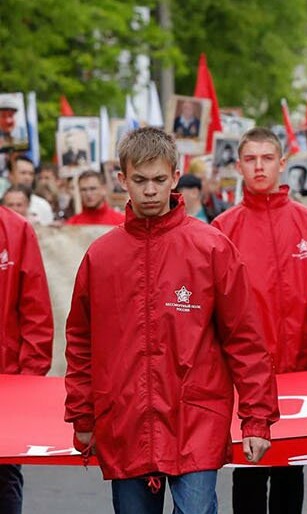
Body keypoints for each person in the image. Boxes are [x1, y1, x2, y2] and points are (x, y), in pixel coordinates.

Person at [63, 127, 279, 514]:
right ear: (122, 179)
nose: (150, 191)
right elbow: (81, 341)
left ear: (175, 177)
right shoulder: (101, 256)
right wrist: (82, 414)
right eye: (140, 181)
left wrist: (257, 418)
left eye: (159, 180)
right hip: (126, 420)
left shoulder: (211, 246)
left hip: (195, 417)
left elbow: (245, 338)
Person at [211, 128, 307, 514]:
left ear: (282, 164)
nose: (258, 167)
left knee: (292, 473)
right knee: (249, 472)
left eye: (266, 158)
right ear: (238, 166)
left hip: (302, 372)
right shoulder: (222, 229)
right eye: (250, 159)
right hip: (246, 378)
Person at [0, 182, 52, 514]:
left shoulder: (16, 231)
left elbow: (36, 314)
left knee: (3, 479)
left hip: (5, 388)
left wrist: (25, 386)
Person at [9, 157, 56, 224]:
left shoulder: (42, 205)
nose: (27, 177)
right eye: (23, 173)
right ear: (11, 175)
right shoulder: (1, 202)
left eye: (31, 174)